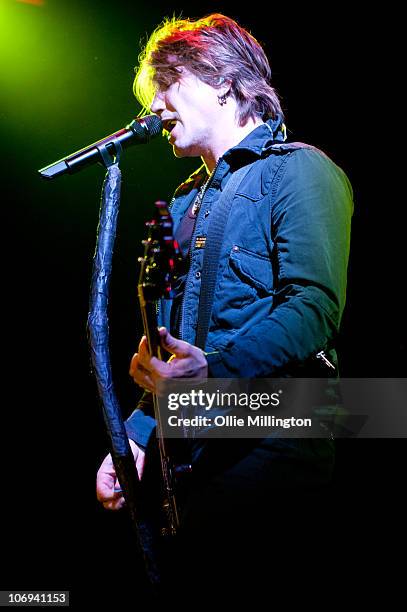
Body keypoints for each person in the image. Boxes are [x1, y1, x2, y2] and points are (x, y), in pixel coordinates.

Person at [96, 13, 353, 598]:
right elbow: (175, 357)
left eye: (168, 83)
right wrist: (135, 435)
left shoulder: (300, 172)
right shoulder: (186, 203)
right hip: (187, 464)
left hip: (271, 449)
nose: (154, 107)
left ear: (221, 80)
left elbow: (314, 307)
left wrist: (213, 372)